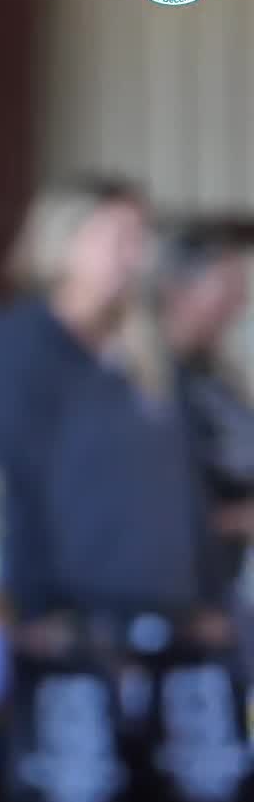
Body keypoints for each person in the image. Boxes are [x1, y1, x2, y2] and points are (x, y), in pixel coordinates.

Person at [0, 174, 217, 628]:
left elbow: (185, 481)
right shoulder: (8, 353)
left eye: (141, 239)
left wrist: (206, 595)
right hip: (68, 621)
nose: (136, 256)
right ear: (63, 242)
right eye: (119, 238)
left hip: (165, 615)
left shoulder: (147, 354)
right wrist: (25, 608)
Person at [156, 227, 254, 621]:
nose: (240, 302)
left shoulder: (217, 376)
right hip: (185, 592)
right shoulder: (152, 381)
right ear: (180, 289)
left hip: (232, 580)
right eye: (226, 288)